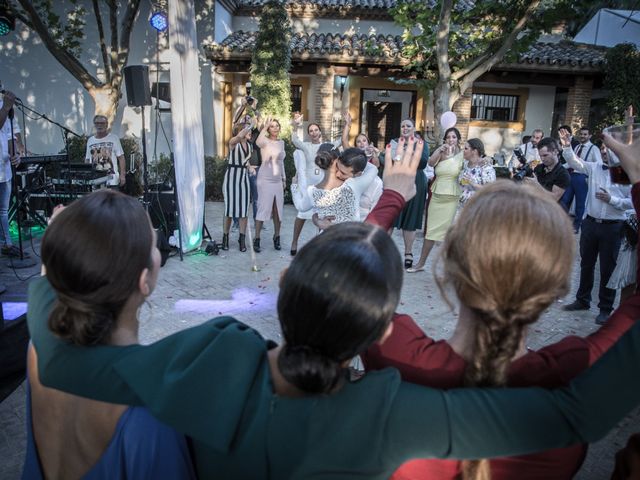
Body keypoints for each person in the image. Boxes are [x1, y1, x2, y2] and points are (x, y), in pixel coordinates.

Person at [26, 135, 640, 479]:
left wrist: (59, 264)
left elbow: (62, 362)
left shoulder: (212, 357)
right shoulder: (394, 411)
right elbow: (579, 413)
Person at [363, 178, 640, 480]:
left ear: (450, 261)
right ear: (558, 286)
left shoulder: (394, 350)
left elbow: (346, 277)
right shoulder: (576, 374)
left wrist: (394, 195)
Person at [23, 190, 195, 479]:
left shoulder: (39, 348)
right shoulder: (149, 416)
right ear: (144, 281)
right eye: (154, 244)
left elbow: (50, 280)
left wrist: (63, 238)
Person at [560, 131, 632, 325]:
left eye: (608, 149)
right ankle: (582, 300)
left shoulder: (624, 173)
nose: (605, 152)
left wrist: (612, 200)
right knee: (586, 264)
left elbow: (632, 202)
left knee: (607, 268)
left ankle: (605, 308)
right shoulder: (594, 168)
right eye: (602, 149)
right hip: (590, 223)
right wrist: (567, 145)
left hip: (612, 227)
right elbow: (575, 162)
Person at [407, 127, 464, 273]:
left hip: (452, 196)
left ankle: (453, 268)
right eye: (448, 137)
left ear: (458, 139)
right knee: (430, 231)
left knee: (448, 232)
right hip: (437, 195)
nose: (450, 140)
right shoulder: (441, 151)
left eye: (453, 137)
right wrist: (439, 150)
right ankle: (420, 264)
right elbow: (430, 164)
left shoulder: (463, 154)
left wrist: (486, 159)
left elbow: (475, 161)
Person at [380, 118, 429, 269]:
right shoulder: (394, 142)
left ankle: (408, 253)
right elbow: (383, 157)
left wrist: (411, 152)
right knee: (391, 217)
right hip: (397, 180)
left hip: (416, 181)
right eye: (403, 126)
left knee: (411, 219)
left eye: (408, 126)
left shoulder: (421, 144)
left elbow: (423, 162)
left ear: (414, 128)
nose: (405, 128)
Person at [290, 112, 341, 255]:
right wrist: (295, 125)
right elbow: (294, 140)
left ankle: (320, 246)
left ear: (320, 131)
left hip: (323, 184)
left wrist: (347, 125)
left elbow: (340, 142)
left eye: (315, 130)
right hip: (308, 186)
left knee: (322, 215)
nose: (313, 133)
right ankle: (294, 242)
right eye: (311, 131)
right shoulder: (306, 146)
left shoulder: (327, 145)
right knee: (302, 214)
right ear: (309, 133)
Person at [292, 145, 377, 225]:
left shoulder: (312, 191)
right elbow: (373, 169)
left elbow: (300, 206)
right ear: (338, 159)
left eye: (343, 173)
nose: (338, 174)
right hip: (351, 238)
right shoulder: (354, 185)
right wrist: (356, 159)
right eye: (339, 169)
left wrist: (294, 186)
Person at [560, 126, 603, 233]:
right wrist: (559, 167)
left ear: (590, 136)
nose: (583, 136)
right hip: (572, 176)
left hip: (583, 177)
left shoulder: (594, 149)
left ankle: (576, 225)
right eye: (581, 134)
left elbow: (598, 164)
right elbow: (571, 161)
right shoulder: (577, 147)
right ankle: (561, 222)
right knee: (564, 200)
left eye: (585, 134)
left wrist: (589, 175)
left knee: (580, 203)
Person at [341, 112, 383, 217]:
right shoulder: (354, 155)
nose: (362, 143)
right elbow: (344, 141)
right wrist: (348, 124)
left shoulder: (373, 153)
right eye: (358, 142)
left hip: (370, 187)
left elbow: (377, 165)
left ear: (368, 143)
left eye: (364, 140)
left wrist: (374, 153)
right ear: (356, 145)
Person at [221, 121, 255, 252]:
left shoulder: (250, 146)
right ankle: (225, 237)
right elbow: (240, 136)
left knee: (244, 210)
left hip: (243, 178)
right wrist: (250, 125)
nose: (250, 132)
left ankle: (242, 238)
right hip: (231, 178)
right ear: (241, 130)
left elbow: (244, 162)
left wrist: (250, 167)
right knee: (229, 210)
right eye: (247, 130)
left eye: (250, 130)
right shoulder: (233, 142)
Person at [254, 117, 285, 253]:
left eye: (276, 126)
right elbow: (258, 141)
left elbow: (281, 162)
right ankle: (257, 238)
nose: (275, 128)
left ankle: (276, 237)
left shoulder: (281, 142)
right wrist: (264, 127)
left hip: (277, 180)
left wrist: (284, 179)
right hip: (265, 179)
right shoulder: (265, 141)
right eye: (272, 126)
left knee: (278, 210)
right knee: (263, 208)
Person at [0, 90, 25, 259]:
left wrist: (15, 153)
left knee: (3, 210)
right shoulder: (5, 106)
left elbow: (10, 135)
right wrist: (6, 107)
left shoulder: (4, 106)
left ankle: (6, 244)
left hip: (4, 168)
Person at [523, 137, 571, 201]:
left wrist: (536, 185)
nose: (542, 159)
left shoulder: (563, 174)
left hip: (549, 209)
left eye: (545, 155)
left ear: (555, 152)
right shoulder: (539, 168)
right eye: (540, 156)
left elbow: (553, 199)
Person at [85, 115, 126, 188]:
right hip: (95, 180)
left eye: (102, 123)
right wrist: (86, 175)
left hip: (112, 180)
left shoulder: (114, 138)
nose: (99, 125)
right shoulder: (90, 140)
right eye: (97, 123)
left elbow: (121, 157)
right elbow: (87, 159)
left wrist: (122, 175)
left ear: (107, 125)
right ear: (94, 125)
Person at [457, 138, 496, 211]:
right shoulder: (464, 164)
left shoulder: (486, 167)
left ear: (474, 151)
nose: (463, 151)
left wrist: (473, 184)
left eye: (466, 148)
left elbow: (491, 190)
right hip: (461, 208)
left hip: (477, 209)